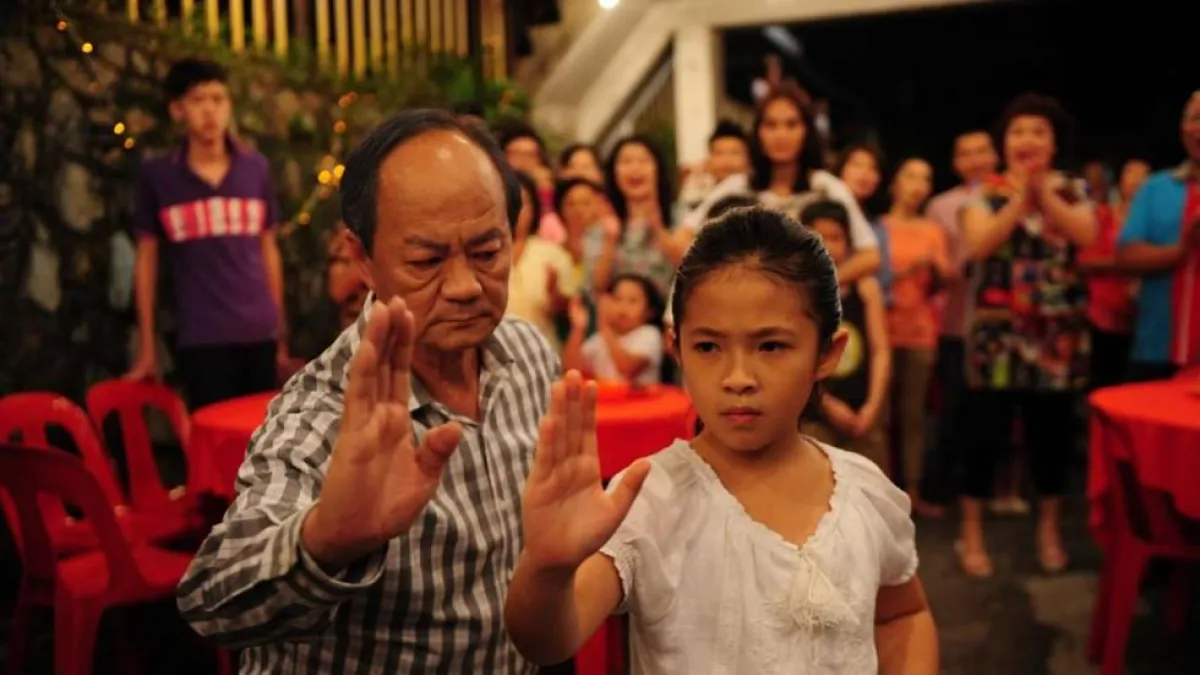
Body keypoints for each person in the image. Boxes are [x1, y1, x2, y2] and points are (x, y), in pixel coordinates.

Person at [177, 109, 559, 673]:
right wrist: (326, 541)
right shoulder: (326, 410)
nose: (464, 286)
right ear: (362, 259)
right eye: (427, 260)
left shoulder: (528, 356)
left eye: (487, 252)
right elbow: (212, 596)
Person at [504, 206, 938, 673]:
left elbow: (902, 613)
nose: (738, 378)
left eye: (771, 346)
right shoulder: (650, 497)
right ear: (677, 349)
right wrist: (546, 567)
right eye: (708, 347)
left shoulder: (864, 489)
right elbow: (548, 639)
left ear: (826, 354)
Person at [956, 93, 1096, 577]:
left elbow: (1087, 235)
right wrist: (1021, 198)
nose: (1028, 139)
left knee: (1052, 439)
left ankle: (1049, 531)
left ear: (1054, 143)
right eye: (1018, 131)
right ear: (1004, 143)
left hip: (1056, 338)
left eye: (1039, 131)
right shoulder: (984, 192)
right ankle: (971, 534)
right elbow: (979, 244)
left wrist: (1045, 194)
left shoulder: (1074, 190)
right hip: (996, 337)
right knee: (983, 436)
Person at [125, 58, 288, 409]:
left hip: (259, 332)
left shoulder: (255, 169)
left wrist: (280, 334)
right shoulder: (159, 177)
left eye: (219, 99)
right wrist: (147, 348)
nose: (210, 111)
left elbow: (268, 251)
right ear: (177, 110)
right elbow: (146, 262)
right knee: (213, 434)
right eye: (198, 100)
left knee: (263, 435)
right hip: (202, 337)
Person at [919, 130, 999, 510]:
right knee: (952, 409)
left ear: (995, 155)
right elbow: (934, 269)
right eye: (966, 153)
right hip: (954, 321)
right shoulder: (939, 206)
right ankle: (944, 486)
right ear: (954, 163)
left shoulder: (1010, 197)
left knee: (993, 414)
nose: (975, 160)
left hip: (1002, 323)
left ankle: (994, 488)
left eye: (981, 151)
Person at [799, 200, 891, 473]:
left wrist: (873, 407)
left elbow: (880, 350)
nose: (828, 245)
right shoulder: (797, 292)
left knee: (871, 483)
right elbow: (795, 360)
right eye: (819, 237)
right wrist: (826, 404)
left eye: (836, 237)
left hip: (862, 410)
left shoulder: (866, 288)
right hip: (814, 412)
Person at [1116, 91, 1200, 381]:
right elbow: (1126, 257)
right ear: (1183, 128)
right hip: (1154, 353)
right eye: (1196, 118)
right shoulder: (1154, 188)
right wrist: (1183, 250)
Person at [1078, 158, 1150, 388]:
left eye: (1143, 176)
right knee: (1102, 384)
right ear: (1120, 182)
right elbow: (1085, 262)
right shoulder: (1101, 216)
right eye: (1131, 173)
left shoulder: (1157, 222)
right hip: (1103, 319)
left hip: (1143, 320)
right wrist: (1126, 263)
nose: (1137, 181)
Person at [564, 273, 665, 387]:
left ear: (650, 311)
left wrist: (604, 324)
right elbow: (572, 371)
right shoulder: (600, 338)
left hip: (641, 399)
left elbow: (627, 368)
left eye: (632, 301)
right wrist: (578, 329)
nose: (623, 307)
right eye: (617, 299)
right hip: (606, 398)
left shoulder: (649, 334)